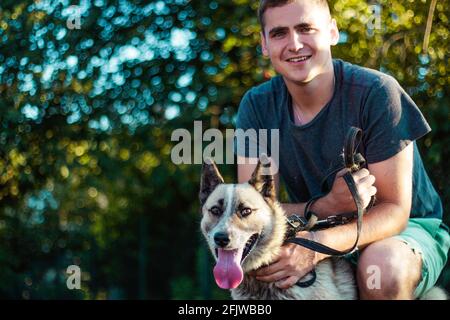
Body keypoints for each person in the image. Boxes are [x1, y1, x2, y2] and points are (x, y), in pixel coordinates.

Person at [234, 0, 450, 299]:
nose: (295, 44)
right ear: (265, 44)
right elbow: (250, 210)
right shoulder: (257, 106)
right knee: (262, 266)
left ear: (332, 31)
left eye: (306, 28)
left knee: (381, 270)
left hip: (399, 231)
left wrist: (315, 246)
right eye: (280, 33)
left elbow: (395, 211)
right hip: (314, 227)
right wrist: (326, 207)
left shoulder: (377, 92)